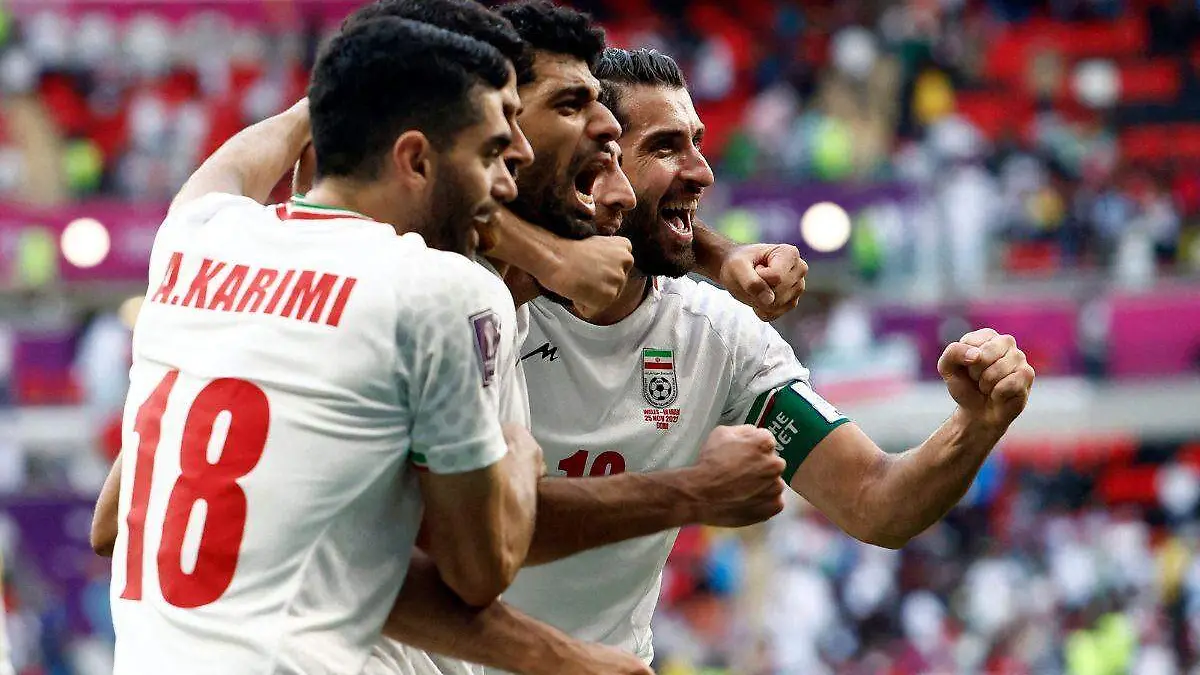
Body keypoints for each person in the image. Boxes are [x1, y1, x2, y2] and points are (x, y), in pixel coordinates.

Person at [485, 47, 1037, 667]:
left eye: (698, 143)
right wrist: (693, 491)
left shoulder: (714, 337)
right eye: (665, 147)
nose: (702, 171)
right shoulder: (488, 300)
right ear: (594, 161)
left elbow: (875, 501)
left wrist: (976, 425)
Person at [107, 20, 544, 674]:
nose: (502, 185)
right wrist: (521, 454)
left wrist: (336, 93)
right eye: (487, 156)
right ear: (416, 159)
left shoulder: (197, 238)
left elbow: (228, 168)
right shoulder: (438, 289)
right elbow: (481, 570)